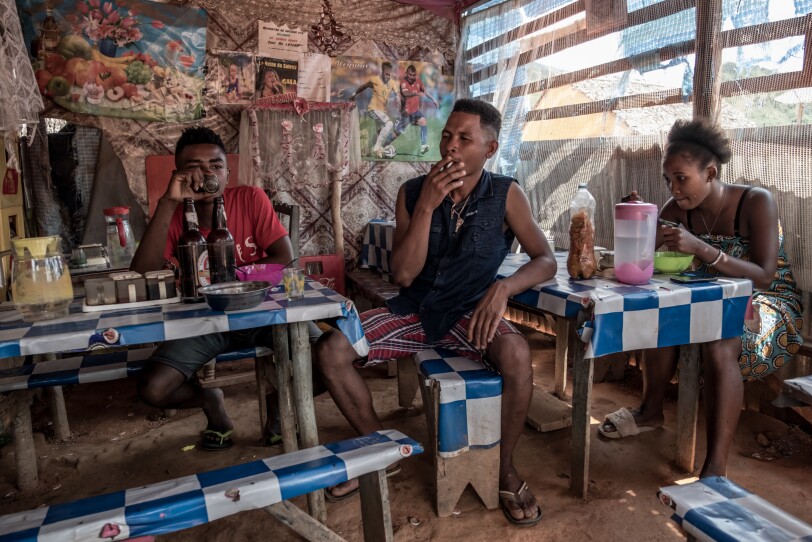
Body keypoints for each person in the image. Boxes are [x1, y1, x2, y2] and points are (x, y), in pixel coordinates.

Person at [315, 99, 556, 526]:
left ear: (490, 149)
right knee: (333, 349)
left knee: (518, 355)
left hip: (469, 314)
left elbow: (545, 259)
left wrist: (503, 288)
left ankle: (504, 469)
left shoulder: (506, 194)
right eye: (447, 136)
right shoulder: (412, 192)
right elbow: (404, 275)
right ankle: (379, 451)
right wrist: (427, 204)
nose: (451, 147)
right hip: (415, 310)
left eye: (465, 139)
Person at [598, 118, 803, 478]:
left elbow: (766, 276)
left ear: (710, 172)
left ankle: (715, 469)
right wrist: (639, 222)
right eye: (668, 180)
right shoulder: (676, 211)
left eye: (681, 178)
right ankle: (650, 412)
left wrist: (704, 250)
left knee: (719, 337)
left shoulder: (756, 202)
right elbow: (646, 261)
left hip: (767, 301)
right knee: (660, 316)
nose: (674, 189)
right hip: (708, 293)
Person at [130, 126, 311, 451]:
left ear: (227, 173)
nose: (207, 174)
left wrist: (229, 281)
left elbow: (285, 256)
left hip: (262, 313)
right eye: (194, 167)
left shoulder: (249, 198)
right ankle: (210, 401)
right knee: (153, 389)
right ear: (179, 174)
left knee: (328, 355)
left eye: (215, 165)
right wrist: (168, 203)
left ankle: (278, 410)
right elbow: (142, 273)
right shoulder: (173, 216)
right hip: (203, 321)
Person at [349, 61, 397, 158]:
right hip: (373, 109)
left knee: (379, 133)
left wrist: (398, 97)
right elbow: (363, 87)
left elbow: (397, 93)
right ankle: (376, 149)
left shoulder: (391, 83)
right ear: (382, 72)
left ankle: (366, 151)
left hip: (381, 111)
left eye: (390, 74)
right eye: (387, 74)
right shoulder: (375, 80)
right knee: (389, 124)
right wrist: (354, 95)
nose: (388, 76)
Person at [387, 64, 438, 155]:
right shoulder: (403, 82)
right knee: (396, 134)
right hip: (406, 113)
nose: (411, 77)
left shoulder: (418, 81)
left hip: (415, 112)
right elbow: (405, 93)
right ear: (406, 73)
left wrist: (433, 99)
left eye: (413, 75)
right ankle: (382, 146)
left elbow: (425, 91)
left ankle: (423, 145)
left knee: (423, 121)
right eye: (410, 74)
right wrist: (417, 94)